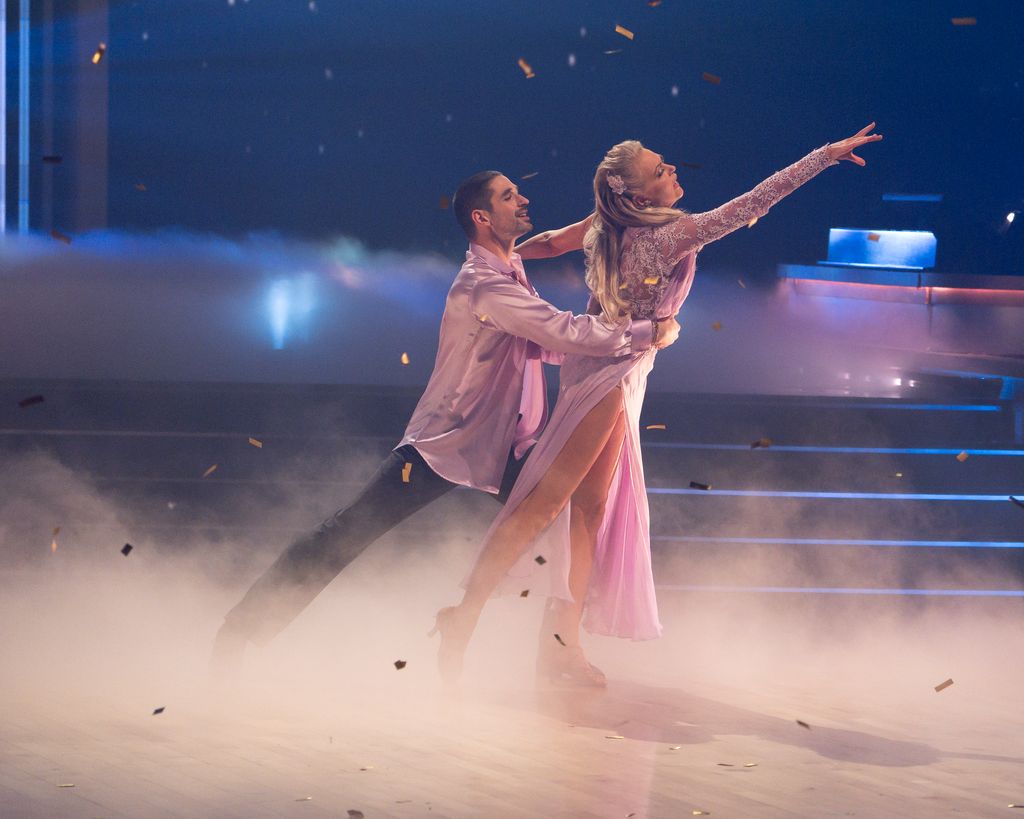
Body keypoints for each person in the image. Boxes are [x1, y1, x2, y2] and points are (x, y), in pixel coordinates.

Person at [433, 124, 883, 687]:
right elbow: (754, 202)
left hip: (617, 369)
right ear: (636, 193)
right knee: (545, 505)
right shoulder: (671, 235)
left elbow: (548, 243)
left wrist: (506, 257)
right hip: (609, 371)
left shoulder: (607, 224)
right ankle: (464, 617)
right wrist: (825, 155)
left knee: (589, 511)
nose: (671, 170)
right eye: (658, 169)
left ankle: (560, 648)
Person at [209, 170, 680, 675]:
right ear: (482, 217)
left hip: (504, 445)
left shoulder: (511, 271)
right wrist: (644, 332)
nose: (523, 199)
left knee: (567, 523)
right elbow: (561, 332)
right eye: (508, 196)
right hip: (444, 444)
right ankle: (239, 631)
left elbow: (545, 344)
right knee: (345, 533)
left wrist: (619, 338)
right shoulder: (483, 285)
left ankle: (554, 650)